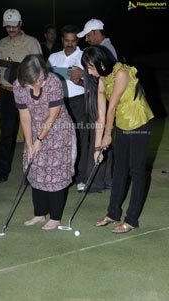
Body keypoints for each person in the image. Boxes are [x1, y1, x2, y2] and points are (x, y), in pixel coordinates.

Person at [81, 45, 154, 233]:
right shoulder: (102, 79)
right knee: (119, 169)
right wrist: (97, 149)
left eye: (90, 67)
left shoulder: (121, 73)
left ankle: (131, 220)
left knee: (136, 170)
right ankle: (113, 213)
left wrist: (107, 136)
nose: (89, 72)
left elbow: (112, 107)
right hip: (123, 124)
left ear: (101, 62)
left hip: (139, 122)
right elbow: (101, 115)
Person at [13, 54, 77, 230]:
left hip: (58, 131)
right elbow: (24, 116)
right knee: (36, 170)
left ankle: (55, 217)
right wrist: (29, 142)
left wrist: (40, 139)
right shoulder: (19, 86)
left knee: (55, 173)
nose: (40, 83)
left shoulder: (53, 82)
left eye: (41, 78)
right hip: (34, 129)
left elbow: (53, 114)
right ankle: (39, 213)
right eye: (35, 80)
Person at [0, 8, 42, 184]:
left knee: (31, 133)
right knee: (6, 134)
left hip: (26, 92)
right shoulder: (1, 43)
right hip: (6, 92)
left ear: (20, 24)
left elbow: (39, 68)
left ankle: (32, 172)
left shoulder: (32, 43)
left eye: (13, 26)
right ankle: (2, 173)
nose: (10, 29)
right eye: (7, 27)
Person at [71, 19, 119, 193]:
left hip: (105, 105)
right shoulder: (104, 49)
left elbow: (106, 86)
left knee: (101, 142)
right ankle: (104, 180)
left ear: (96, 32)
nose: (87, 40)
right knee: (103, 143)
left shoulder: (106, 51)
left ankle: (97, 182)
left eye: (88, 36)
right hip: (100, 102)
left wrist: (83, 75)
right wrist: (83, 79)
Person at [48, 24, 88, 192]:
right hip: (59, 103)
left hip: (80, 102)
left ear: (77, 40)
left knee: (80, 139)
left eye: (73, 41)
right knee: (59, 140)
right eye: (67, 40)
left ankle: (82, 177)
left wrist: (83, 76)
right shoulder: (53, 57)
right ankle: (62, 176)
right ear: (62, 40)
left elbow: (97, 80)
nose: (70, 44)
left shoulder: (85, 56)